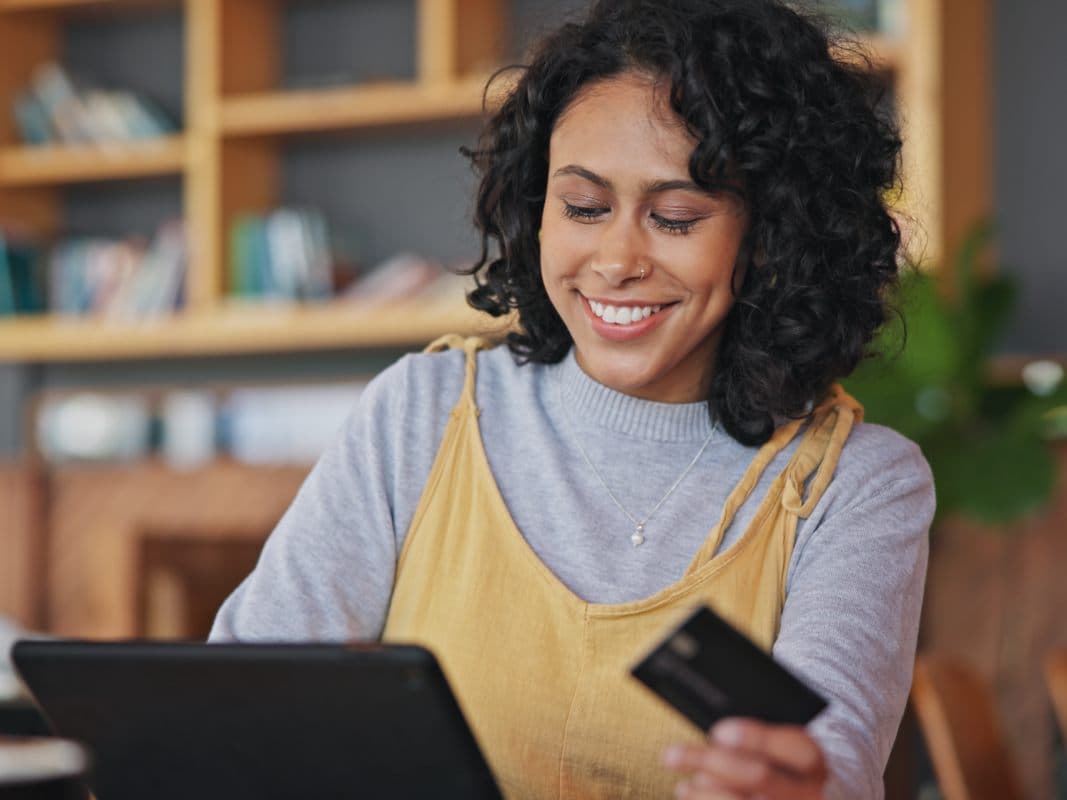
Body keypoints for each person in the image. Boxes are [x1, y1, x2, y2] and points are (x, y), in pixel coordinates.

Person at [210, 1, 934, 797]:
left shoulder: (854, 483)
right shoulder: (420, 413)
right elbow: (243, 702)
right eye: (582, 208)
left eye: (675, 217)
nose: (615, 258)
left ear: (772, 238)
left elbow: (833, 767)